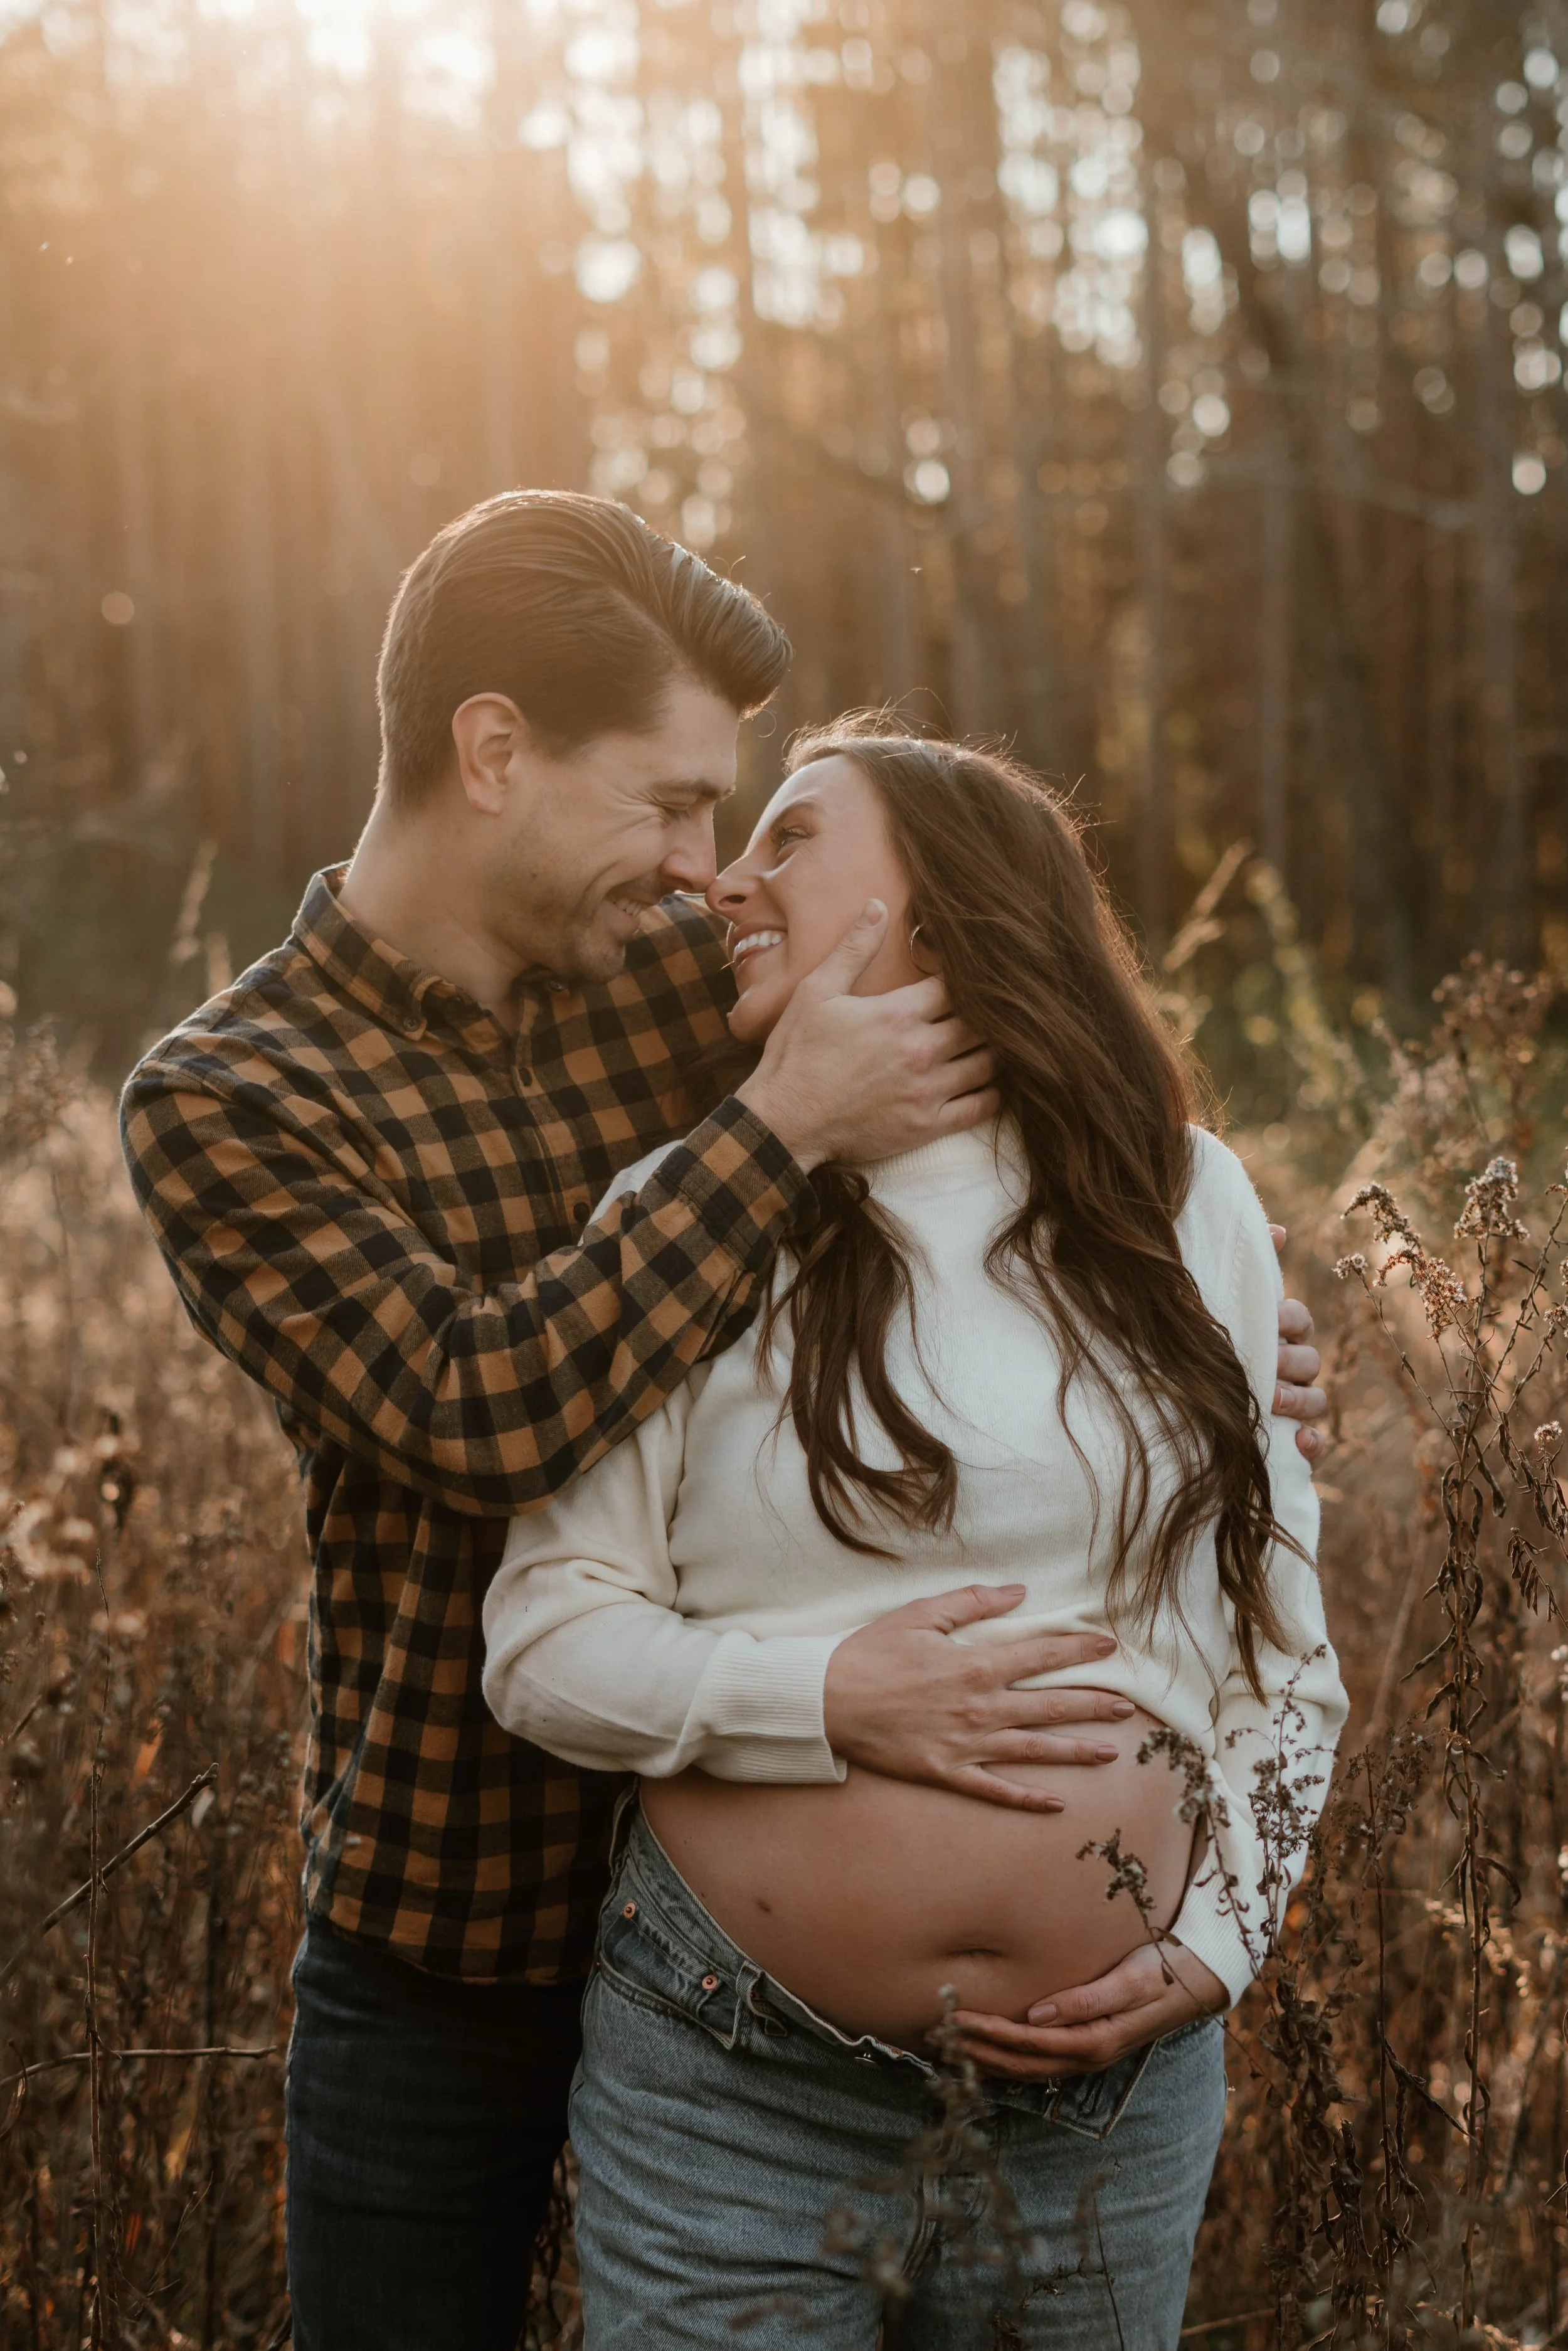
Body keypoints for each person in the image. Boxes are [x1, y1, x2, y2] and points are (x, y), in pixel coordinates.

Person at [120, 492, 1327, 2351]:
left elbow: (1013, 1065)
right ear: (495, 748)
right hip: (455, 1890)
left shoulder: (697, 969)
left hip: (706, 1899)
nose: (705, 868)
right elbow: (469, 1410)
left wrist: (1211, 1338)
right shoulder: (234, 1092)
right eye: (676, 803)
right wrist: (775, 1133)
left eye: (730, 820)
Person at [484, 719, 1348, 2349]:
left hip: (1109, 2107)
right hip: (736, 2083)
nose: (729, 877)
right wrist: (826, 1696)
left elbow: (1282, 1655)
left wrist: (1222, 1937)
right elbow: (539, 1647)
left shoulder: (1181, 1204)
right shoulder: (675, 1226)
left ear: (943, 904)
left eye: (794, 835)